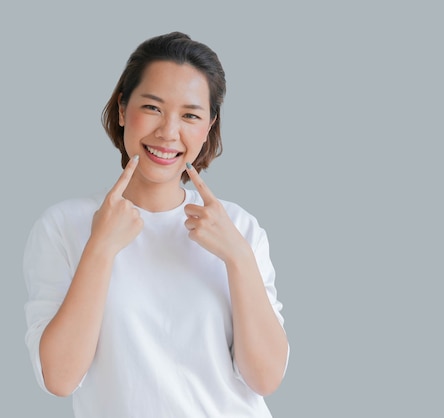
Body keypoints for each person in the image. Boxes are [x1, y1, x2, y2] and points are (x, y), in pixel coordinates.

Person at [23, 31, 289, 417]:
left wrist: (238, 257)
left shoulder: (238, 227)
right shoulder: (63, 226)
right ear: (121, 109)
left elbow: (265, 379)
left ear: (209, 125)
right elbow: (60, 379)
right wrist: (100, 246)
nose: (168, 132)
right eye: (152, 107)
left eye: (190, 115)